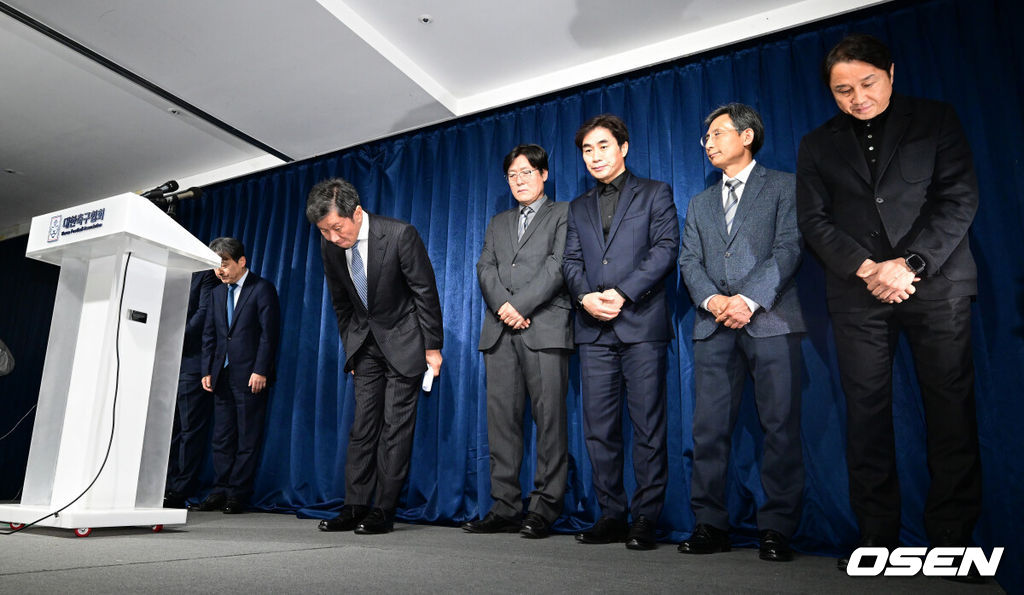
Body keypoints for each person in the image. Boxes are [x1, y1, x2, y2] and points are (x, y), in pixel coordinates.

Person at [796, 34, 982, 577]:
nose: (857, 98)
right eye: (843, 90)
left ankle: (954, 539)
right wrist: (868, 268)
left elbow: (959, 197)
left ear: (891, 74)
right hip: (858, 295)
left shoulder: (936, 119)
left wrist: (909, 265)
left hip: (938, 285)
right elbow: (814, 220)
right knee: (867, 416)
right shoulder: (817, 143)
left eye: (867, 84)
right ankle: (876, 536)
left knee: (951, 412)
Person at [678, 103, 806, 562]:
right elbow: (688, 260)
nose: (707, 143)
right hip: (713, 328)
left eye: (715, 134)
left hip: (771, 321)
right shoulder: (699, 202)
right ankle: (710, 524)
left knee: (779, 429)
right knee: (708, 431)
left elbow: (789, 248)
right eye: (705, 138)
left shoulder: (784, 186)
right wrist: (714, 301)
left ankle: (777, 529)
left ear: (747, 135)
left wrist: (748, 300)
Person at [562, 114, 679, 550]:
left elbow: (666, 250)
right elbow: (571, 262)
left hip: (642, 326)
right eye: (588, 150)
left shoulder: (655, 193)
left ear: (623, 147)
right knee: (599, 429)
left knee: (648, 426)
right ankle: (610, 514)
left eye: (603, 146)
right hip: (592, 330)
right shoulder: (577, 206)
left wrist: (623, 293)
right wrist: (585, 298)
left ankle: (645, 518)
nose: (595, 156)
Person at [308, 177, 443, 535]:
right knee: (362, 428)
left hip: (404, 342)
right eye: (324, 232)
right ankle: (354, 505)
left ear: (357, 212)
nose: (334, 239)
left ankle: (383, 510)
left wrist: (432, 347)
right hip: (365, 347)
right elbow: (340, 304)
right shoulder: (330, 249)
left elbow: (424, 293)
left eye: (337, 228)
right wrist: (350, 350)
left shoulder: (400, 235)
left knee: (395, 430)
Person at [463, 144, 572, 539]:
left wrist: (520, 305)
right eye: (512, 175)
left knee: (550, 424)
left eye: (527, 172)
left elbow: (558, 266)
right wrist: (504, 308)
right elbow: (485, 267)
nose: (519, 180)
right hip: (500, 332)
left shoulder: (564, 213)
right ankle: (505, 506)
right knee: (501, 426)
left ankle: (544, 508)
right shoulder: (498, 221)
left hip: (544, 328)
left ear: (544, 175)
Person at [197, 238, 281, 514]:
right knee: (221, 438)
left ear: (241, 261)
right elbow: (210, 334)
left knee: (247, 437)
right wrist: (207, 369)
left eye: (224, 264)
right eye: (216, 266)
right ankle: (219, 490)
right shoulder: (217, 294)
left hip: (250, 375)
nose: (219, 271)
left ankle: (237, 494)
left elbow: (270, 335)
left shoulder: (262, 289)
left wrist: (260, 370)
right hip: (221, 374)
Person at [164, 269, 219, 509]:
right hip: (165, 364)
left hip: (191, 361)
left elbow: (204, 313)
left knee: (189, 430)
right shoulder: (166, 274)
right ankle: (161, 485)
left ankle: (180, 490)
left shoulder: (205, 275)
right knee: (168, 430)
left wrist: (173, 338)